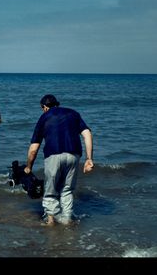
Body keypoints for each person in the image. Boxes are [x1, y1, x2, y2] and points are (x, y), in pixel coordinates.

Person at [24, 94, 94, 226]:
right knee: (67, 189)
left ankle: (51, 222)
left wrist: (29, 166)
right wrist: (89, 158)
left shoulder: (44, 117)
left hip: (53, 155)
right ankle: (67, 220)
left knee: (51, 191)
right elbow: (87, 134)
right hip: (74, 155)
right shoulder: (73, 113)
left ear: (44, 107)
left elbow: (34, 148)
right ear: (57, 104)